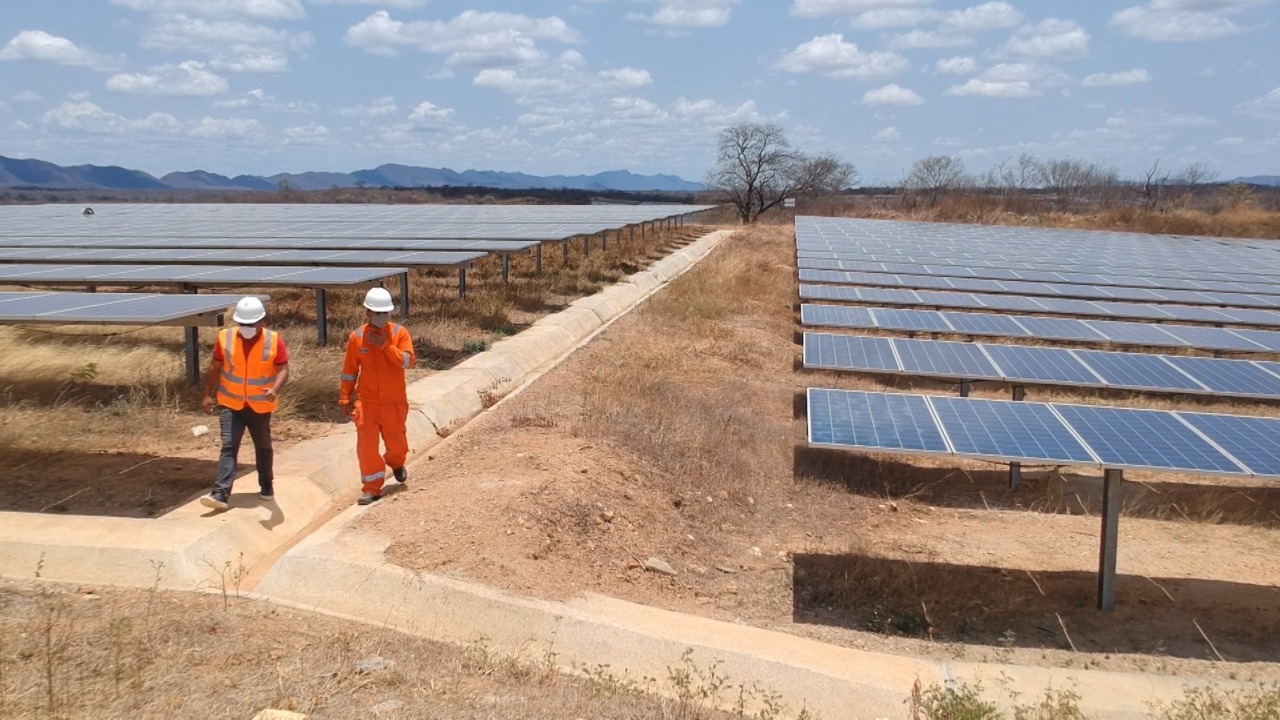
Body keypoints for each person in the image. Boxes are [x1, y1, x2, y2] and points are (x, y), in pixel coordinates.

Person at [199, 296, 289, 512]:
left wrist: (274, 390)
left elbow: (283, 369)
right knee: (229, 446)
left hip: (259, 406)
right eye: (243, 324)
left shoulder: (273, 340)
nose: (247, 328)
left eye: (251, 324)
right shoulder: (225, 337)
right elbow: (215, 367)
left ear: (261, 322)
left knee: (263, 447)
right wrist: (207, 394)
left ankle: (266, 485)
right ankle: (220, 493)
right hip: (231, 403)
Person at [340, 287, 416, 505]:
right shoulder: (357, 338)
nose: (381, 317)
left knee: (397, 445)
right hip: (367, 403)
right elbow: (349, 370)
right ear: (367, 312)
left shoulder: (400, 333)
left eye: (385, 313)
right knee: (367, 447)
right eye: (377, 313)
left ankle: (397, 463)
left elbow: (408, 362)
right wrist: (345, 397)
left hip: (394, 402)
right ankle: (371, 488)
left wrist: (386, 347)